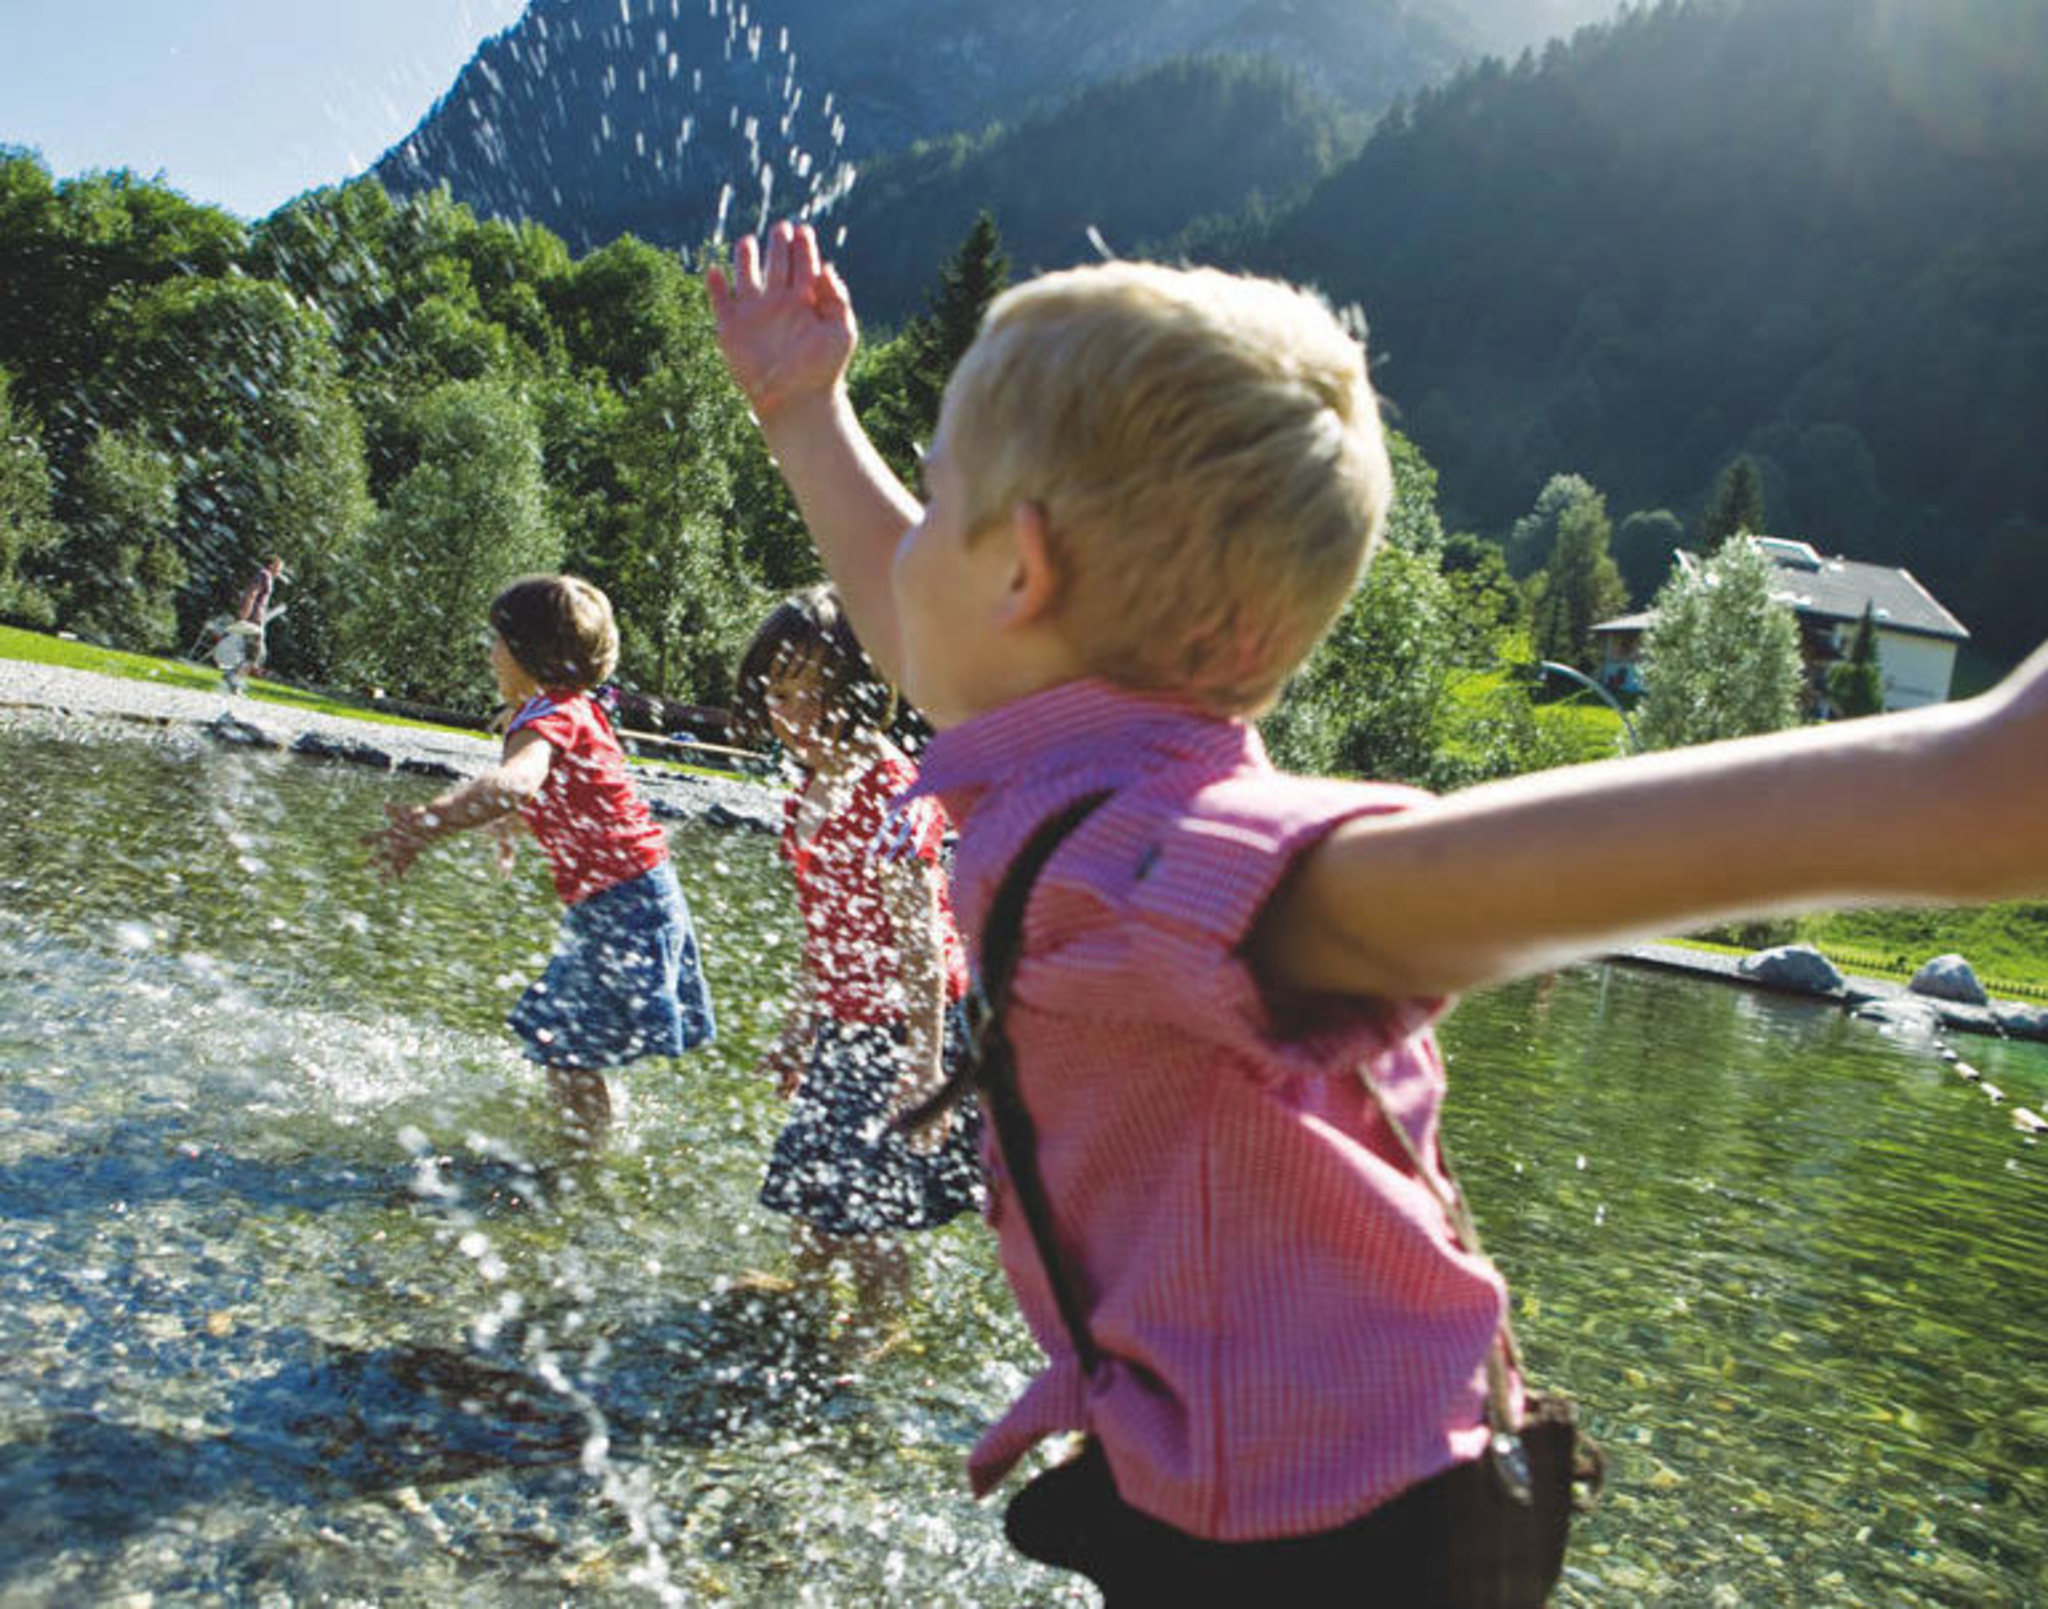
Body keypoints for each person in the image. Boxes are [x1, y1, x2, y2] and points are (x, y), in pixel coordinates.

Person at [704, 221, 2048, 1598]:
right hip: (1300, 1480)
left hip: (1338, 1540)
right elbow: (912, 616)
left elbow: (1457, 884)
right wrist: (803, 413)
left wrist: (1969, 786)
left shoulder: (1159, 849)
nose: (903, 543)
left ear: (1021, 572)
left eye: (933, 499)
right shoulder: (1066, 768)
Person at [365, 574, 715, 1146]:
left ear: (528, 652)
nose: (490, 654)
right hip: (636, 894)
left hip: (623, 902)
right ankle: (581, 1145)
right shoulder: (576, 709)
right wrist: (511, 821)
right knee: (565, 1041)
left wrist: (430, 821)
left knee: (565, 1044)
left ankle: (577, 1160)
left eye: (497, 641)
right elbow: (558, 787)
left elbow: (519, 781)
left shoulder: (547, 717)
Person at [728, 584, 982, 1344]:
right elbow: (826, 929)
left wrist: (927, 1065)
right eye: (780, 693)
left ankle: (879, 1322)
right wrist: (801, 1026)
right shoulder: (808, 784)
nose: (797, 716)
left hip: (911, 1028)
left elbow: (919, 942)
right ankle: (804, 1289)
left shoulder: (892, 791)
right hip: (848, 1023)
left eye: (818, 695)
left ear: (863, 693)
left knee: (873, 1205)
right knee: (813, 1178)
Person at [215, 555, 287, 694]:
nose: (280, 571)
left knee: (251, 653)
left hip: (256, 619)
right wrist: (245, 615)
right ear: (272, 565)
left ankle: (234, 679)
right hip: (253, 619)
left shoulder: (266, 577)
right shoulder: (264, 575)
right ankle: (233, 678)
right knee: (256, 654)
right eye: (279, 567)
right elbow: (251, 594)